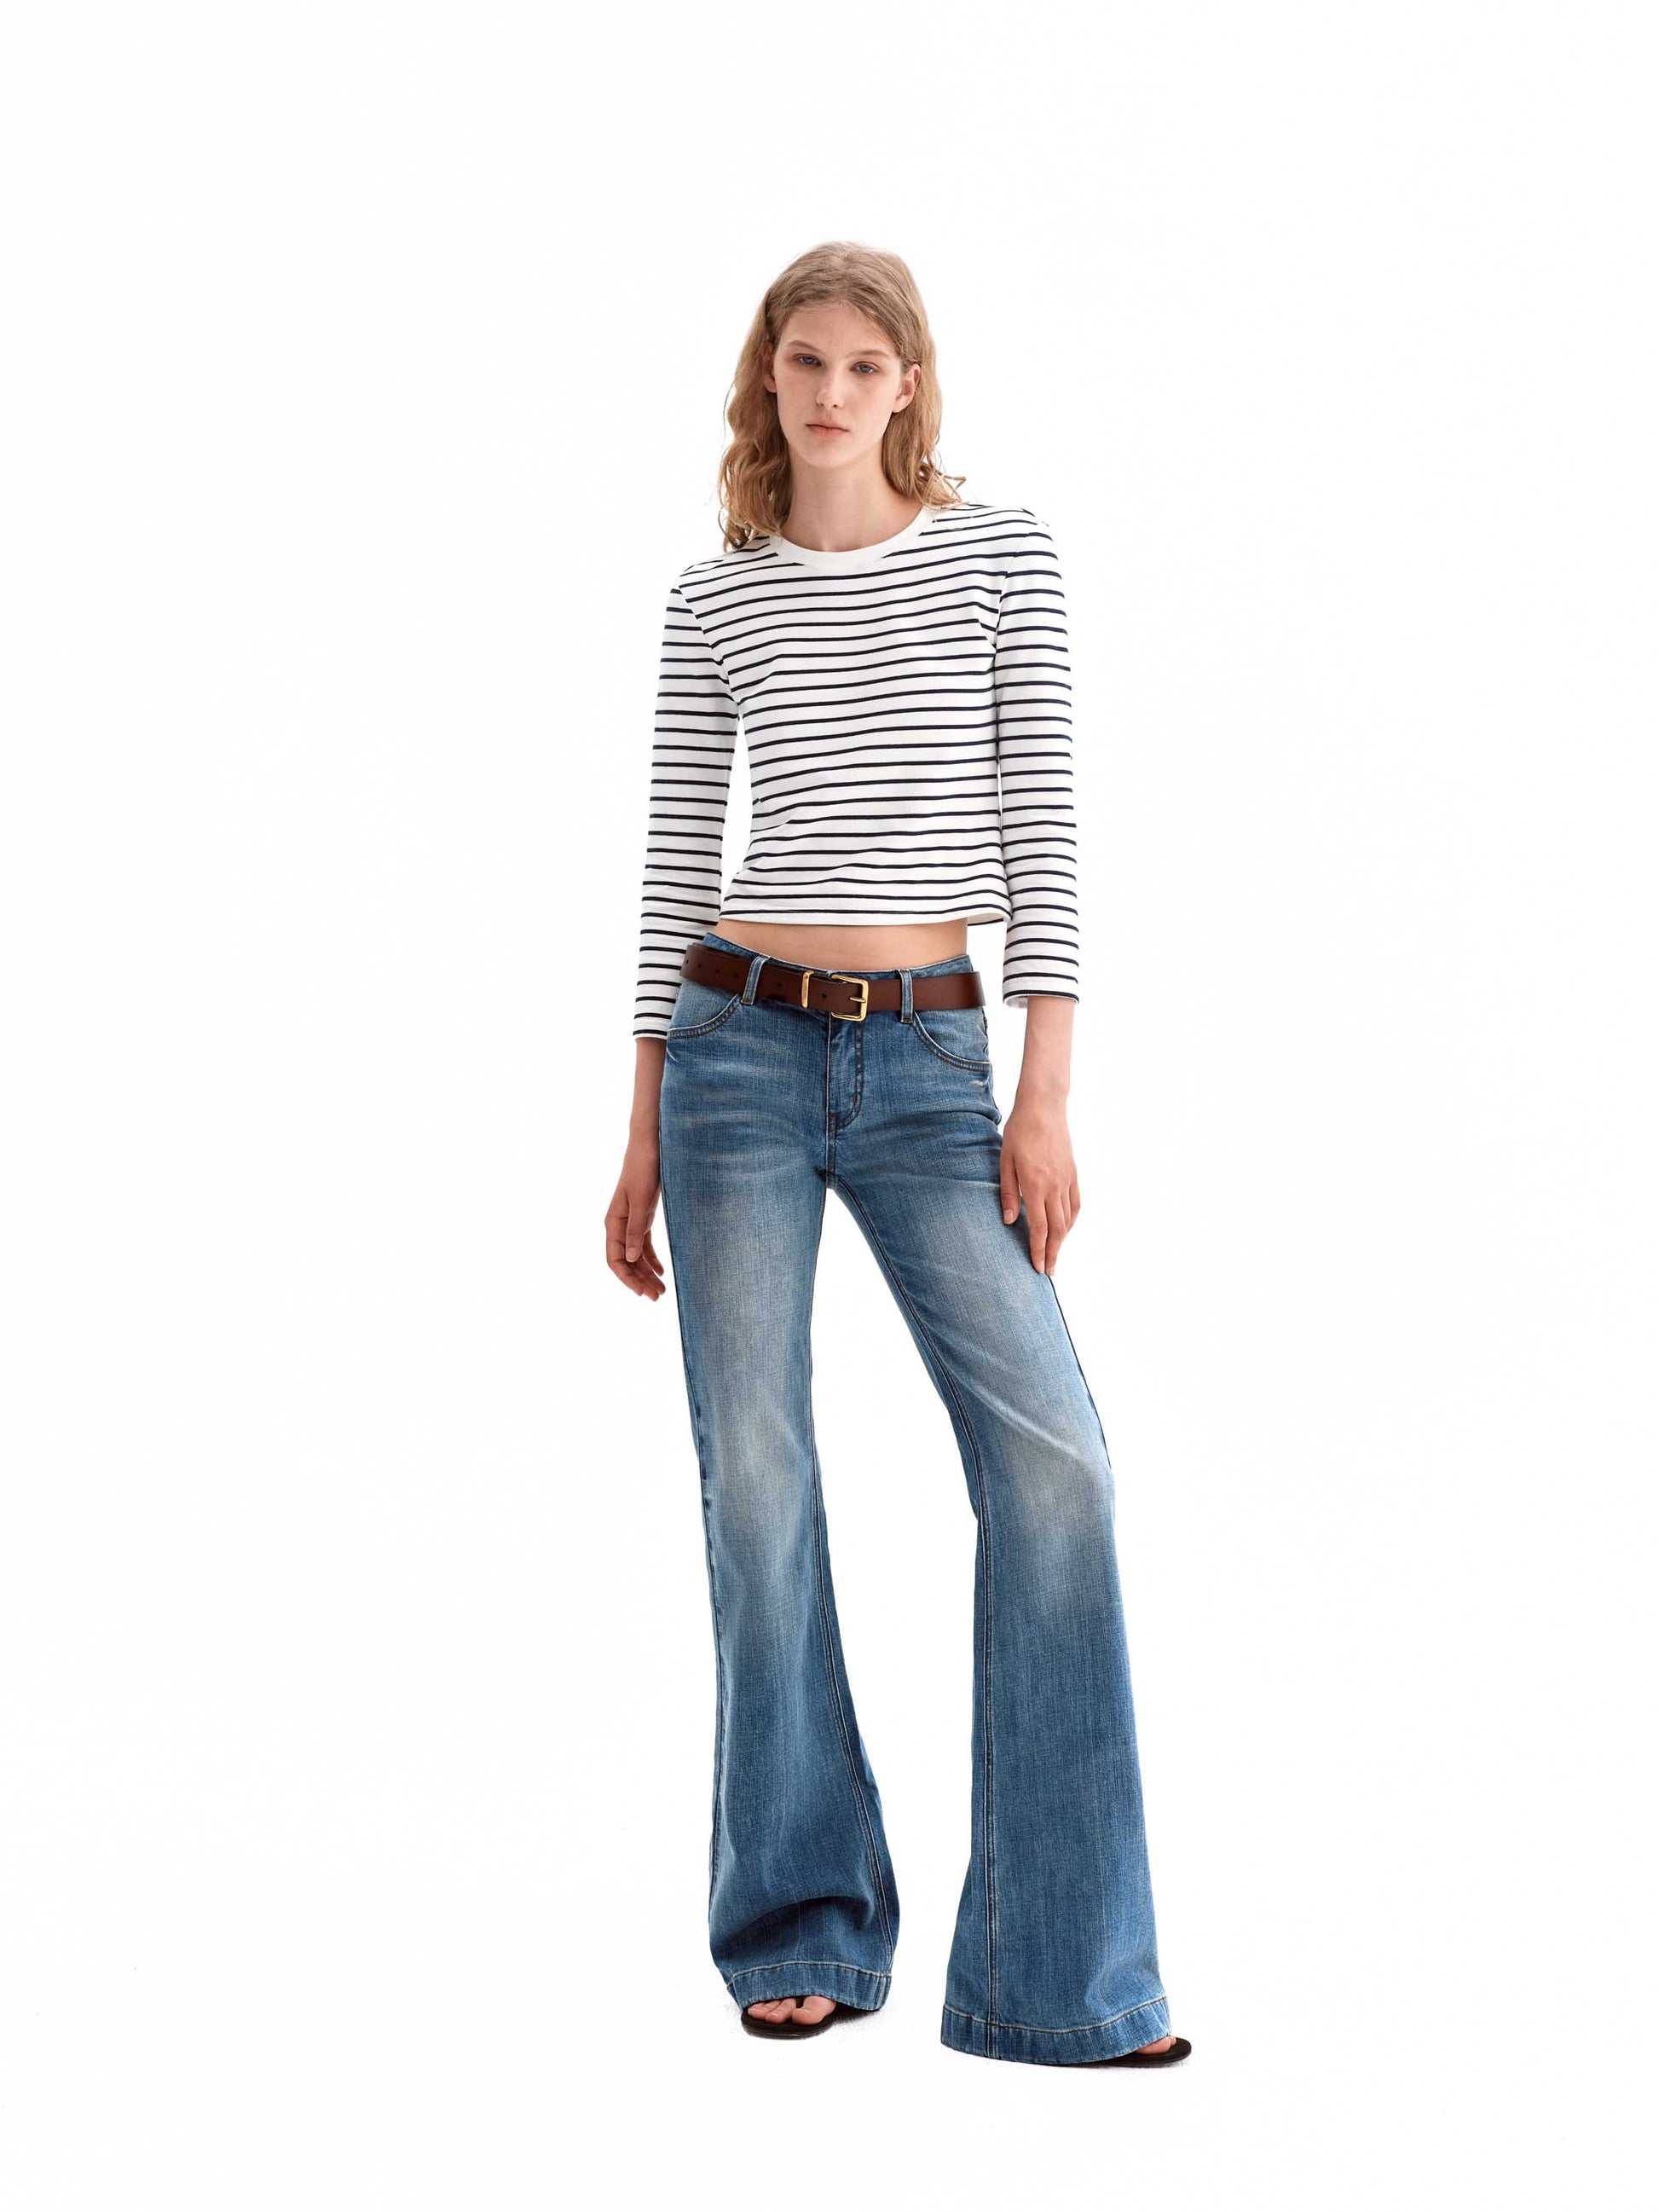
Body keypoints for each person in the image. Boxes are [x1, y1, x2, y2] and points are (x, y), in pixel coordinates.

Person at [604, 241, 1190, 2069]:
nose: (832, 392)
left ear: (910, 383)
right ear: (766, 378)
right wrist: (637, 1125)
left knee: (1056, 1465)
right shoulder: (716, 596)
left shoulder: (1000, 554)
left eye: (865, 364)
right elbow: (673, 857)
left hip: (936, 1060)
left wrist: (1045, 1088)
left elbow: (1045, 820)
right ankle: (800, 1921)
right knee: (756, 1483)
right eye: (805, 362)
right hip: (733, 1061)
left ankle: (1058, 1972)